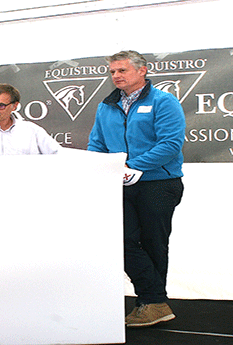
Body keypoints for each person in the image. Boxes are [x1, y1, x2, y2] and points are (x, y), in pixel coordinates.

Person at [87, 50, 185, 327]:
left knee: (154, 242)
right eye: (112, 72)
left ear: (142, 71)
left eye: (122, 71)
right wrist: (102, 167)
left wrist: (131, 165)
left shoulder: (164, 102)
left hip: (159, 183)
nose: (116, 76)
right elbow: (97, 143)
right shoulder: (106, 105)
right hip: (119, 184)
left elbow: (170, 144)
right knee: (121, 241)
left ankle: (150, 302)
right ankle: (154, 300)